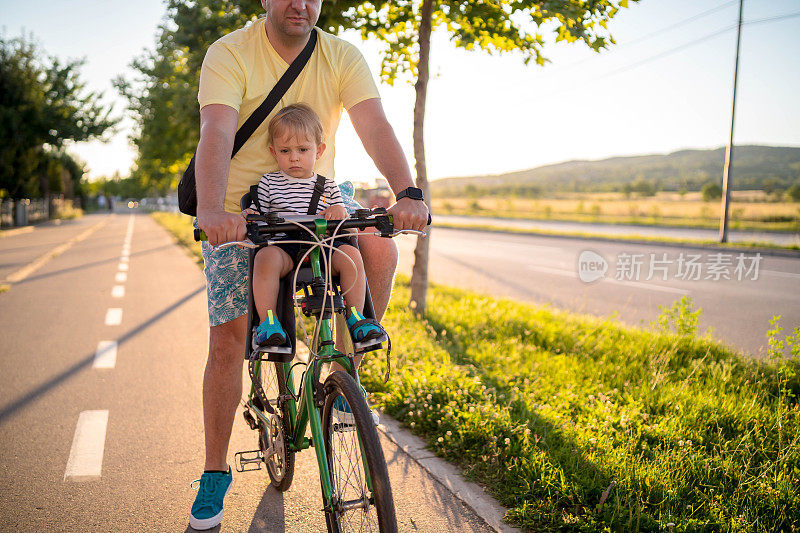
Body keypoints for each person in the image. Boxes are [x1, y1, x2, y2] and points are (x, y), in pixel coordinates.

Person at [190, 0, 428, 529]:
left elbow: (375, 125)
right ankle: (212, 474)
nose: (301, 3)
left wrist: (407, 192)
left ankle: (347, 368)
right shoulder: (229, 53)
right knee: (229, 340)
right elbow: (217, 134)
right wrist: (212, 211)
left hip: (322, 198)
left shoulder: (341, 55)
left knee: (380, 245)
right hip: (244, 208)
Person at [247, 103, 387, 354]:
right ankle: (268, 323)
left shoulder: (327, 186)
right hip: (285, 249)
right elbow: (258, 211)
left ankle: (356, 317)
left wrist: (338, 211)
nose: (294, 157)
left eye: (303, 149)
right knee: (264, 258)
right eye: (285, 150)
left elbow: (339, 211)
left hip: (322, 249)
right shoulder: (269, 183)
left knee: (351, 256)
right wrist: (251, 215)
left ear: (319, 150)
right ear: (273, 152)